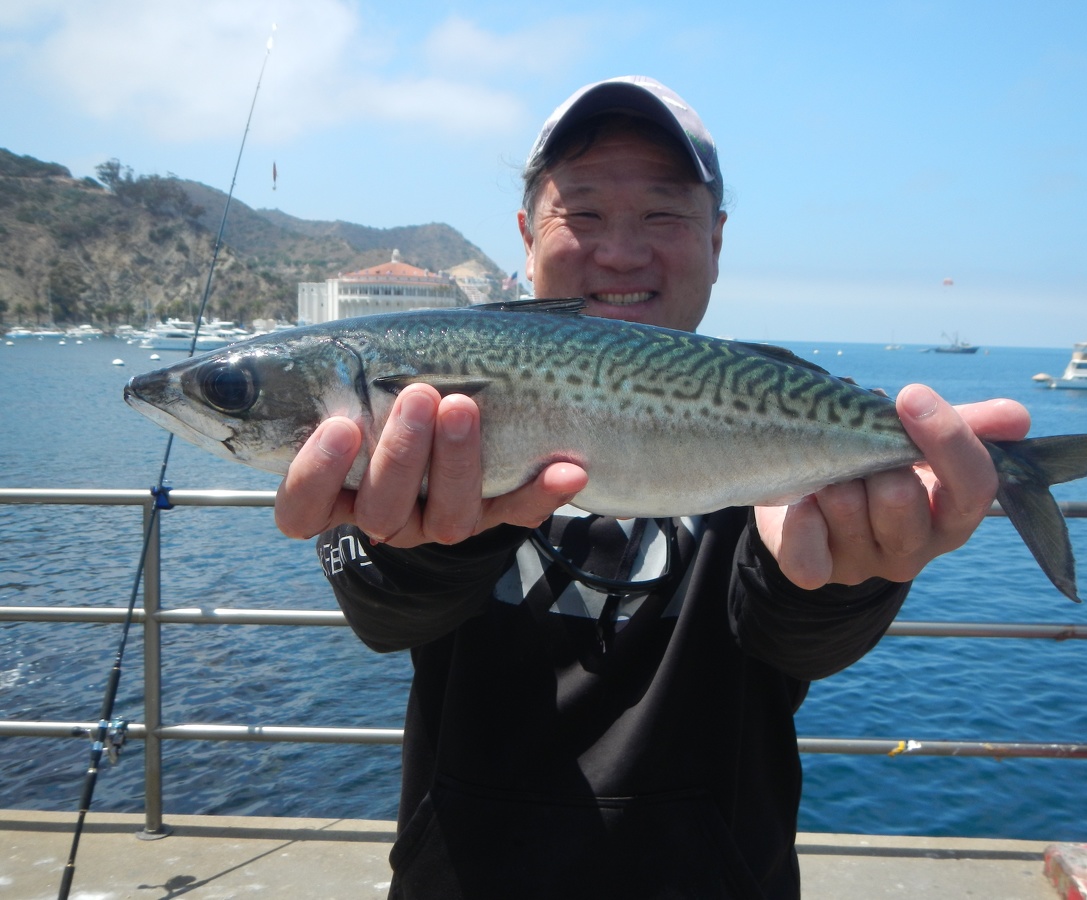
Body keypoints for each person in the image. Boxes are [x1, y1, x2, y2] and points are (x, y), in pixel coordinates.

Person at [275, 76, 1030, 899]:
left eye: (663, 215)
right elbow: (387, 616)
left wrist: (840, 579)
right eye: (583, 214)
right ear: (527, 236)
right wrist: (424, 543)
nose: (621, 252)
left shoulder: (772, 414)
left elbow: (797, 644)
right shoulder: (427, 405)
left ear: (716, 239)